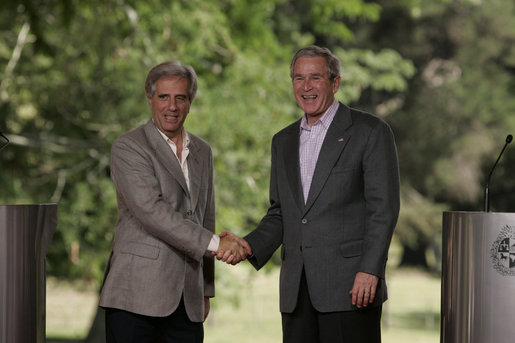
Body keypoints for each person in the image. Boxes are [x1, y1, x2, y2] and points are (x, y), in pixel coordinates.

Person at [221, 45, 400, 343]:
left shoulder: (370, 132)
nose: (306, 87)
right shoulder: (283, 141)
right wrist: (249, 245)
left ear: (335, 82)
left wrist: (370, 270)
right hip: (296, 291)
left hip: (351, 287)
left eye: (315, 78)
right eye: (298, 78)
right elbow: (281, 213)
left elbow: (383, 210)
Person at [99, 61, 248, 343]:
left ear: (190, 101)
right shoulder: (129, 147)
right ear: (150, 98)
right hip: (136, 297)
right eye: (164, 97)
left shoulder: (203, 151)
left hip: (187, 302)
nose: (172, 106)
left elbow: (206, 217)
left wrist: (205, 291)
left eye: (180, 97)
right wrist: (217, 244)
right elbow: (152, 212)